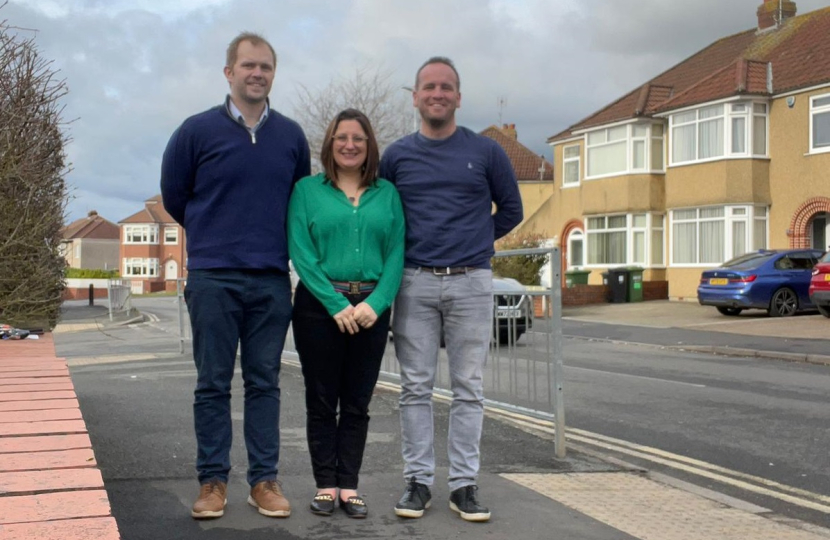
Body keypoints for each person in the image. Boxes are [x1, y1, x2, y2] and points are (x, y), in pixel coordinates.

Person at [160, 32, 310, 520]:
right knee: (212, 384)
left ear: (273, 74)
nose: (257, 73)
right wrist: (214, 236)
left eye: (265, 66)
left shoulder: (291, 137)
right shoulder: (195, 132)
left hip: (270, 279)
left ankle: (264, 481)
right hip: (213, 278)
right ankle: (212, 482)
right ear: (229, 72)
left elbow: (297, 202)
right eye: (248, 65)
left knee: (265, 383)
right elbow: (176, 197)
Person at [379, 57, 523, 522]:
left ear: (458, 97)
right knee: (415, 388)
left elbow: (512, 209)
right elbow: (383, 215)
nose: (437, 94)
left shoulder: (486, 152)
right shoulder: (396, 156)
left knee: (468, 388)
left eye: (446, 87)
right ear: (416, 97)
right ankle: (418, 482)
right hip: (414, 282)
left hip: (471, 281)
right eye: (429, 87)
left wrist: (476, 240)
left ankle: (464, 485)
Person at [287, 108, 405, 519]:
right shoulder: (306, 191)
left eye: (358, 138)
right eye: (342, 137)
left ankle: (349, 486)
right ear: (330, 143)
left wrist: (377, 303)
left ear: (369, 145)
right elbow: (301, 252)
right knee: (321, 400)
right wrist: (336, 304)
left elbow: (396, 253)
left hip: (371, 311)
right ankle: (326, 485)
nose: (349, 145)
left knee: (357, 402)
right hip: (319, 309)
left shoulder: (387, 194)